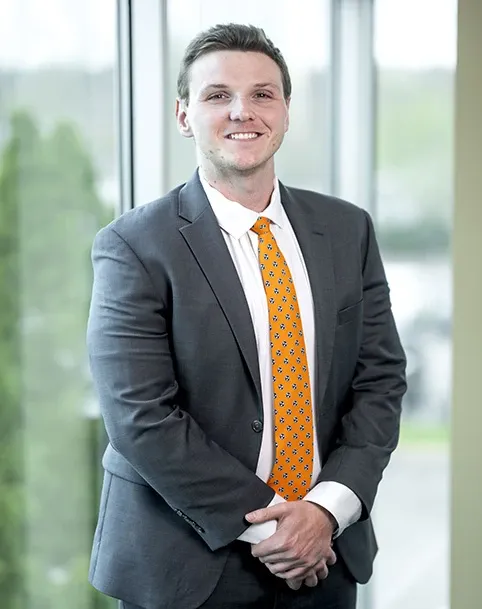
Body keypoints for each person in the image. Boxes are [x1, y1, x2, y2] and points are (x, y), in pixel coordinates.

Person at [86, 23, 406, 609]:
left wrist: (325, 510)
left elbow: (379, 381)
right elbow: (140, 416)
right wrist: (277, 527)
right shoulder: (133, 245)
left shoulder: (347, 230)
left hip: (326, 555)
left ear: (285, 112)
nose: (243, 111)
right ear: (184, 116)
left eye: (263, 94)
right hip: (185, 563)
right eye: (217, 95)